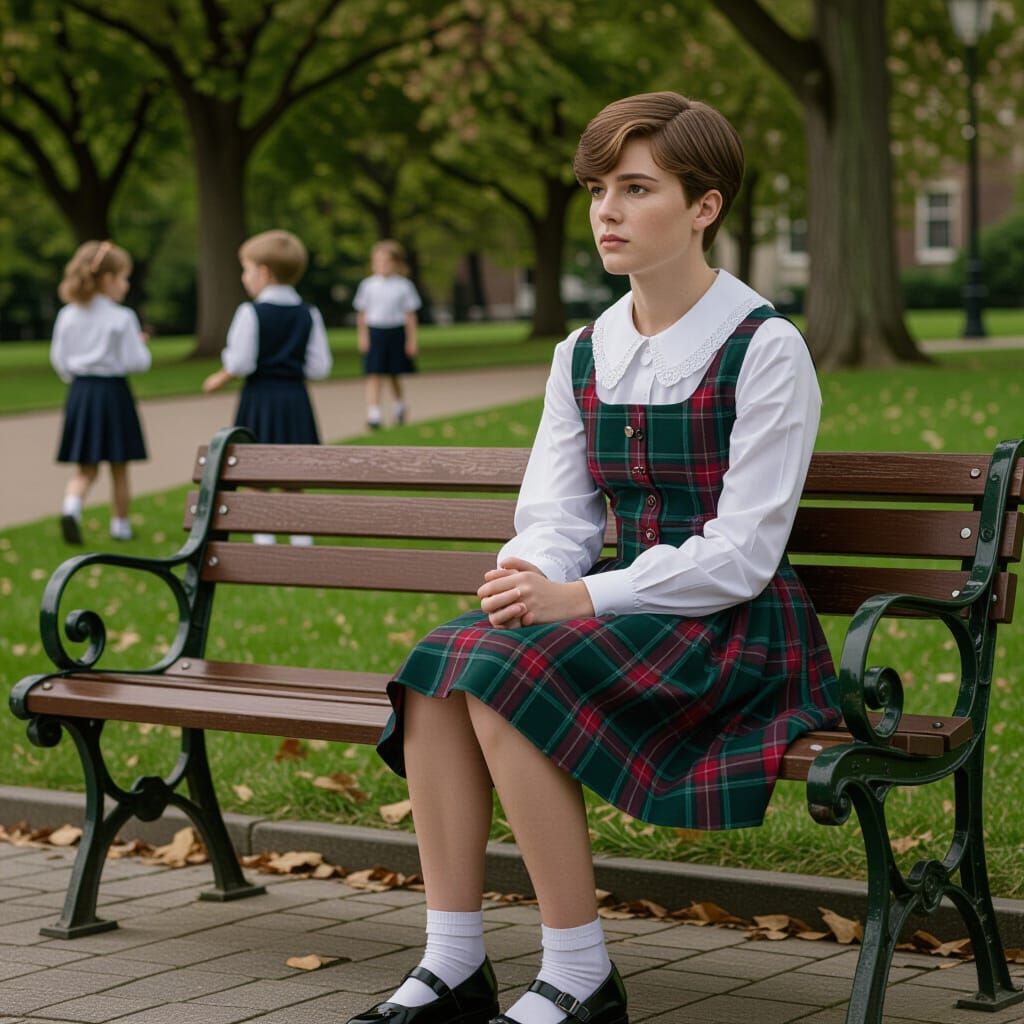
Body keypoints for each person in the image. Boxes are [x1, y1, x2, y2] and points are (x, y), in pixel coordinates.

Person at [351, 92, 842, 1024]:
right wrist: (532, 572)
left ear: (705, 207)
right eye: (596, 189)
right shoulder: (584, 350)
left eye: (635, 187)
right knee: (436, 668)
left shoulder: (766, 347)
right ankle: (453, 959)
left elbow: (742, 553)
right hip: (618, 610)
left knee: (498, 673)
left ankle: (580, 974)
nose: (605, 211)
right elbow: (557, 509)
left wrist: (583, 594)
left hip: (729, 632)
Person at [202, 229, 332, 545]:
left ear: (263, 272)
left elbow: (243, 362)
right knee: (294, 474)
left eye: (246, 270)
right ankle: (302, 540)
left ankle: (264, 541)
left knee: (256, 473)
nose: (244, 278)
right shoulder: (309, 313)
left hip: (259, 398)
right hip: (295, 399)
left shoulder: (250, 312)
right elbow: (319, 367)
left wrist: (223, 372)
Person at [51, 240, 151, 545]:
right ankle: (120, 526)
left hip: (81, 393)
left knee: (86, 467)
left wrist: (77, 379)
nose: (126, 284)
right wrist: (141, 343)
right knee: (119, 467)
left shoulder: (68, 315)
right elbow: (137, 362)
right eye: (123, 277)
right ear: (108, 279)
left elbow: (59, 360)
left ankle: (72, 508)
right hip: (113, 393)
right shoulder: (122, 317)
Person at [352, 239, 421, 429]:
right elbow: (362, 314)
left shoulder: (404, 286)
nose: (382, 265)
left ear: (396, 263)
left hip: (395, 331)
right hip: (375, 332)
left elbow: (410, 316)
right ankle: (373, 413)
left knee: (393, 373)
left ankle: (399, 405)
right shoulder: (368, 285)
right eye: (378, 261)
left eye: (386, 261)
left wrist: (411, 341)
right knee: (373, 373)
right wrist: (363, 337)